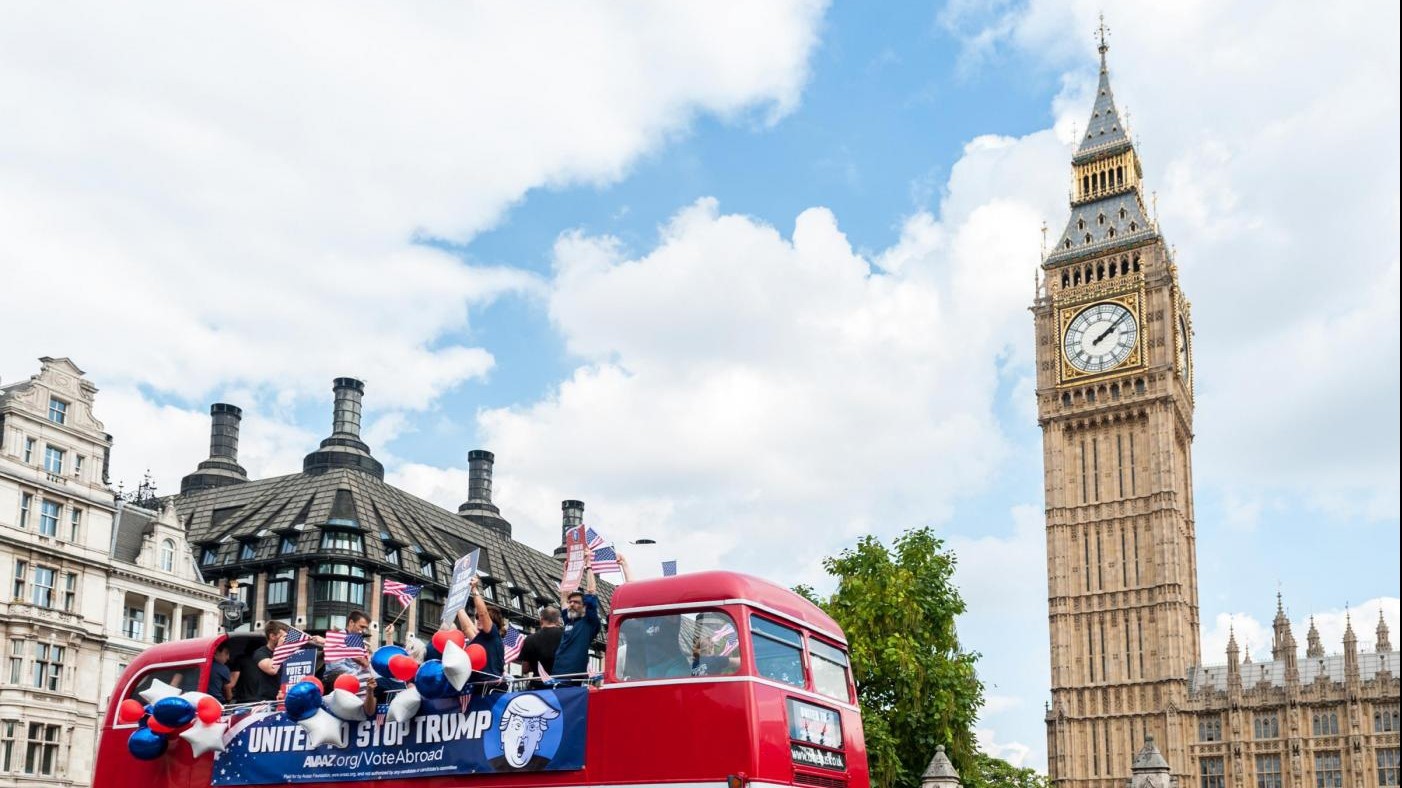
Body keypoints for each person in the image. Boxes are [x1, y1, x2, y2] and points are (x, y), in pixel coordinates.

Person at [552, 550, 600, 684]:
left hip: (574, 676)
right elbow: (563, 596)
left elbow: (591, 591)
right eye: (571, 602)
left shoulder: (589, 621)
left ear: (585, 607)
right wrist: (567, 573)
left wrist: (589, 566)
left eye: (576, 602)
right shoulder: (569, 619)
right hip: (557, 674)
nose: (572, 604)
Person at [467, 577, 506, 694]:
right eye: (476, 617)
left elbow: (483, 613)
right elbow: (466, 627)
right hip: (478, 686)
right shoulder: (480, 637)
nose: (478, 619)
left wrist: (474, 589)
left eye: (480, 618)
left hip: (490, 687)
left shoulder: (493, 633)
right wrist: (456, 603)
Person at [237, 621, 289, 702]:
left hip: (286, 698)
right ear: (272, 636)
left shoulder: (287, 651)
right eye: (283, 637)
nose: (286, 639)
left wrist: (315, 644)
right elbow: (272, 669)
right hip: (267, 701)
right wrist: (280, 647)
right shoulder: (261, 653)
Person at [520, 607, 563, 689]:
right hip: (560, 687)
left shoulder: (530, 639)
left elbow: (525, 669)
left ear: (541, 619)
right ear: (558, 620)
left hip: (538, 686)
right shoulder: (565, 638)